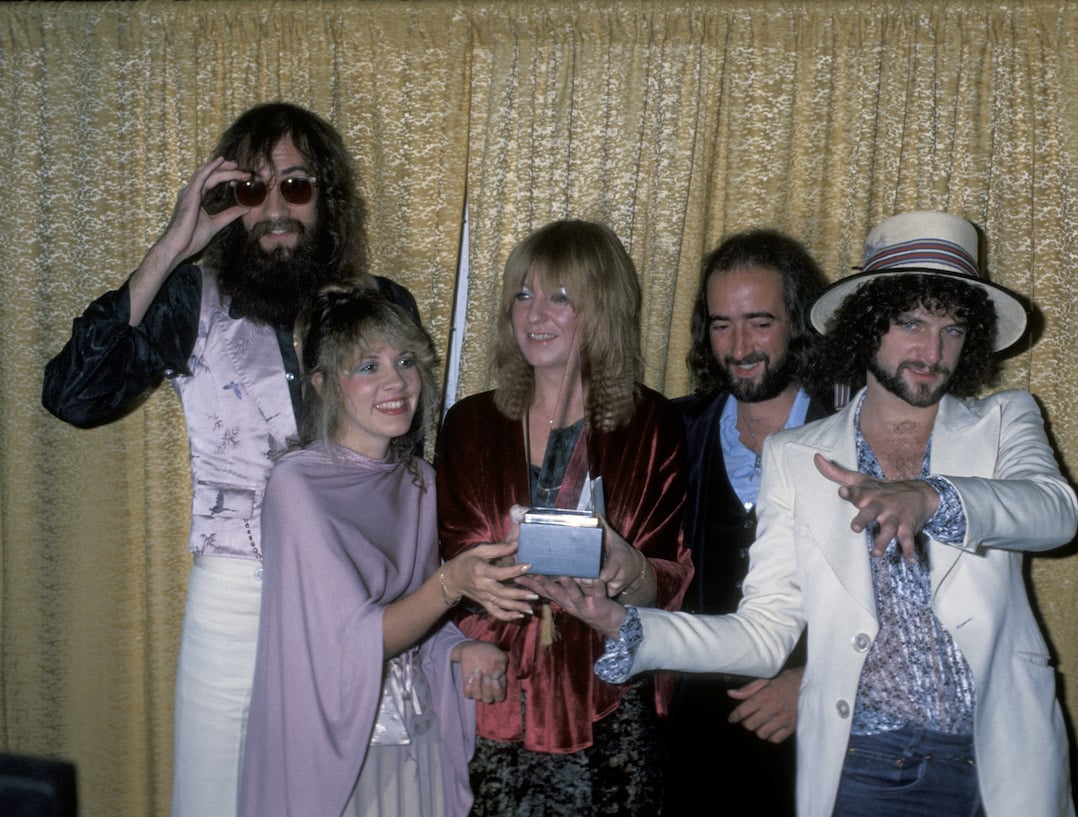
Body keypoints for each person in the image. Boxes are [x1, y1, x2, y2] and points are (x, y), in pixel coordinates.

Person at [536, 211, 1078, 817]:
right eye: (910, 324)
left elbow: (1054, 512)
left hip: (1005, 754)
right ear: (866, 326)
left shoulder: (1005, 420)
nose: (932, 351)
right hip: (867, 766)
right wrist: (629, 625)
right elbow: (763, 632)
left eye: (953, 331)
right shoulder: (797, 457)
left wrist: (932, 498)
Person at [41, 102, 419, 817]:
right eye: (252, 188)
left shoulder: (382, 306)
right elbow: (72, 394)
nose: (274, 206)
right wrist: (172, 243)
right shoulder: (191, 296)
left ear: (326, 198)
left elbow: (413, 479)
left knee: (349, 799)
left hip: (352, 596)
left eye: (296, 184)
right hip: (235, 597)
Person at [436, 219, 693, 816]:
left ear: (600, 308)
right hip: (495, 688)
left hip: (605, 692)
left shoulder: (650, 424)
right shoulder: (469, 425)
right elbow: (457, 559)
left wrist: (627, 570)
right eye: (522, 295)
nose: (534, 315)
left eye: (560, 297)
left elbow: (671, 574)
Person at [239, 282, 517, 817]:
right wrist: (453, 583)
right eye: (367, 366)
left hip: (418, 737)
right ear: (321, 384)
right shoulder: (297, 487)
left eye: (406, 360)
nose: (396, 382)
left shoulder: (419, 481)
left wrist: (459, 649)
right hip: (344, 754)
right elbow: (353, 642)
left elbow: (416, 623)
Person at [666, 229, 843, 817]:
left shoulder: (854, 437)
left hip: (811, 743)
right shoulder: (670, 432)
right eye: (722, 324)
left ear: (797, 323)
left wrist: (814, 684)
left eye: (759, 322)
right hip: (684, 747)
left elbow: (903, 602)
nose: (739, 346)